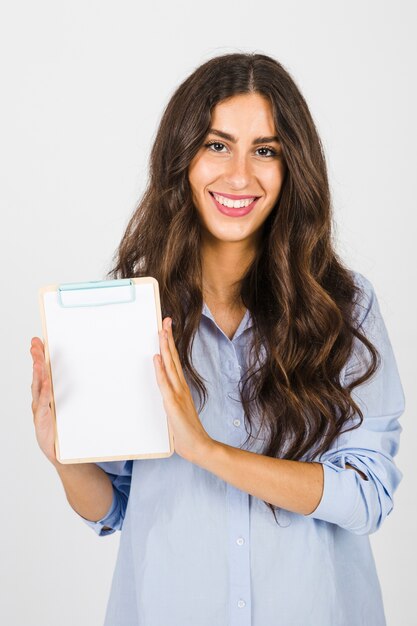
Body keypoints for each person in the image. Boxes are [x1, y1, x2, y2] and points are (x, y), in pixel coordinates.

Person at [30, 52, 405, 626]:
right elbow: (116, 509)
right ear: (182, 157)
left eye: (265, 150)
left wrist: (206, 450)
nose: (239, 175)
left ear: (292, 167)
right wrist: (64, 458)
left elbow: (366, 495)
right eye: (216, 144)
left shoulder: (344, 306)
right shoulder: (130, 313)